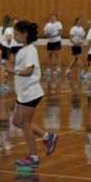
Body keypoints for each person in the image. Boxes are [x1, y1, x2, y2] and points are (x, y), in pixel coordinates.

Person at [11, 20, 57, 172]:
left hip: (31, 92)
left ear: (24, 34)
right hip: (23, 93)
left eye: (16, 33)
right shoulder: (24, 49)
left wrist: (14, 71)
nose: (14, 36)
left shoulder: (30, 50)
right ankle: (47, 137)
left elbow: (29, 70)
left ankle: (33, 158)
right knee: (17, 121)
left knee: (25, 123)